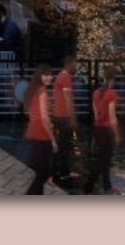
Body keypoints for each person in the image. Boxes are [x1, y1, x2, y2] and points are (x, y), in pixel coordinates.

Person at [46, 53, 82, 191]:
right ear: (70, 64)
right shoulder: (66, 78)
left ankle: (64, 172)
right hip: (64, 117)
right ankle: (54, 175)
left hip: (59, 116)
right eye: (76, 64)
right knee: (62, 146)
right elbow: (68, 100)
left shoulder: (61, 76)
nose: (77, 66)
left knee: (64, 146)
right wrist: (72, 119)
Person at [20, 72, 56, 194]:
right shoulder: (42, 92)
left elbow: (32, 114)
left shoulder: (33, 91)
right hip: (41, 134)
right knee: (43, 174)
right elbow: (45, 118)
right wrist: (53, 140)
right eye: (45, 75)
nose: (49, 77)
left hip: (34, 133)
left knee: (41, 173)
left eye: (50, 74)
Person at [90, 67, 121, 194]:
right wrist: (117, 135)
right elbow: (112, 117)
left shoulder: (95, 93)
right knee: (102, 161)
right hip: (107, 132)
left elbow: (96, 116)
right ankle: (88, 188)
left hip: (98, 129)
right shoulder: (111, 94)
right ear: (113, 79)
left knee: (104, 160)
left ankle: (107, 187)